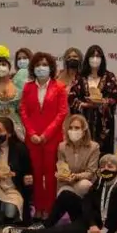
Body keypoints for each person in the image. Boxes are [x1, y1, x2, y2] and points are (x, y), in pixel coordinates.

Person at [1, 154, 117, 233]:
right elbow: (86, 203)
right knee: (66, 195)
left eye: (110, 166)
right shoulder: (98, 183)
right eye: (103, 165)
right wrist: (91, 223)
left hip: (100, 231)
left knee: (59, 232)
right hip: (90, 221)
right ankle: (46, 224)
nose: (106, 168)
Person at [20, 52, 69, 222]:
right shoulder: (27, 87)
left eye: (44, 65)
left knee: (50, 175)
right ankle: (38, 208)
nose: (41, 68)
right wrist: (32, 133)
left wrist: (46, 134)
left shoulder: (59, 87)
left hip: (52, 138)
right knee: (35, 173)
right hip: (32, 138)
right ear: (33, 68)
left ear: (51, 68)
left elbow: (62, 113)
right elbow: (23, 111)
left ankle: (50, 208)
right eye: (38, 65)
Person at [45, 114, 100, 228]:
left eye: (77, 128)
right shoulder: (62, 147)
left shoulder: (94, 147)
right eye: (70, 128)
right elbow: (62, 167)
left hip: (83, 182)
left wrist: (76, 176)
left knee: (84, 185)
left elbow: (91, 172)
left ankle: (82, 219)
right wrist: (61, 175)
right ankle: (49, 225)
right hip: (66, 183)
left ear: (84, 131)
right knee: (64, 193)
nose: (73, 130)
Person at [68, 44, 117, 155]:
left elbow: (114, 97)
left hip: (104, 124)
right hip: (84, 121)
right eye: (92, 56)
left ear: (102, 59)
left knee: (103, 154)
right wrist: (85, 105)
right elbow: (71, 97)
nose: (95, 59)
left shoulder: (110, 77)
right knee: (83, 153)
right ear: (87, 58)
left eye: (98, 56)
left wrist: (102, 102)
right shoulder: (80, 77)